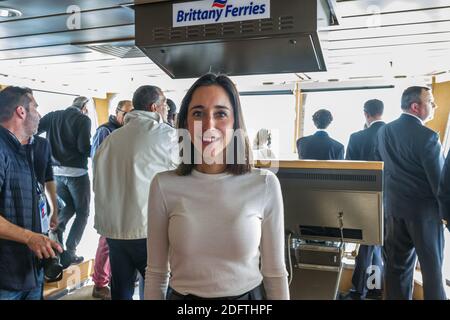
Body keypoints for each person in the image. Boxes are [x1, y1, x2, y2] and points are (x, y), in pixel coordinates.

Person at [144, 73, 289, 300]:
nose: (209, 125)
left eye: (220, 113)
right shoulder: (163, 186)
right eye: (198, 113)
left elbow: (275, 273)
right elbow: (156, 273)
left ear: (235, 123)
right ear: (185, 123)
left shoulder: (265, 184)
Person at [93, 85, 178, 300]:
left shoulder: (110, 140)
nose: (167, 109)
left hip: (114, 230)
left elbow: (98, 183)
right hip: (147, 230)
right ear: (154, 107)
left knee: (121, 290)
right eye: (165, 104)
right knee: (155, 289)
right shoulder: (167, 136)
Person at [376, 86, 446, 300]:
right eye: (431, 101)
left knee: (396, 270)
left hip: (394, 210)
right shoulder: (428, 137)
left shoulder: (384, 131)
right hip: (424, 214)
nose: (435, 105)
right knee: (432, 272)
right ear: (416, 107)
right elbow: (440, 183)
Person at [0, 86, 62, 300]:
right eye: (35, 107)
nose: (39, 114)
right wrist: (29, 237)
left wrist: (41, 240)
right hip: (7, 279)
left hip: (29, 270)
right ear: (21, 111)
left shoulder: (20, 150)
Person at [37, 96, 91, 266]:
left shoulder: (53, 116)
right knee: (83, 212)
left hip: (56, 173)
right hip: (77, 174)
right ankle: (71, 250)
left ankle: (57, 238)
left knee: (67, 207)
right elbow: (83, 148)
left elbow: (35, 130)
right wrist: (97, 148)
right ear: (83, 107)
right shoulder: (83, 119)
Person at [90, 99, 133, 300]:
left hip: (123, 193)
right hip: (109, 194)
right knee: (107, 240)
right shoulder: (105, 131)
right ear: (117, 113)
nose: (131, 117)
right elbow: (99, 164)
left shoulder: (127, 132)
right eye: (127, 113)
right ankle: (99, 283)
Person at [344, 99, 385, 300]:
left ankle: (359, 291)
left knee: (369, 245)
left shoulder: (356, 137)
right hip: (389, 199)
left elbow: (348, 170)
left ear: (365, 113)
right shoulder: (391, 134)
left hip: (363, 199)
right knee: (375, 246)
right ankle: (374, 289)